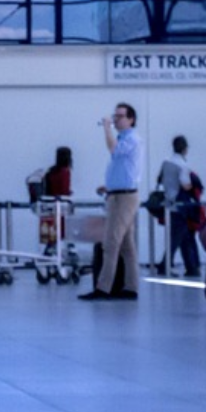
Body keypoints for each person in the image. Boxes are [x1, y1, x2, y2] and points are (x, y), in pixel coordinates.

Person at [80, 103, 142, 301]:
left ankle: (103, 288)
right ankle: (131, 287)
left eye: (120, 116)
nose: (116, 119)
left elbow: (113, 150)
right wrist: (109, 186)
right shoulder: (125, 138)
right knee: (126, 246)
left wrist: (107, 128)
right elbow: (125, 170)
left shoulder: (131, 138)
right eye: (115, 116)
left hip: (124, 198)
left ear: (131, 119)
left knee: (110, 242)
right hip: (118, 194)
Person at [156, 135, 200, 278]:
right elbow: (185, 185)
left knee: (184, 236)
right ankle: (164, 265)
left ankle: (191, 267)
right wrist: (194, 184)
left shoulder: (166, 162)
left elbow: (160, 180)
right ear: (185, 149)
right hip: (180, 205)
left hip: (168, 202)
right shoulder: (183, 165)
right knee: (176, 238)